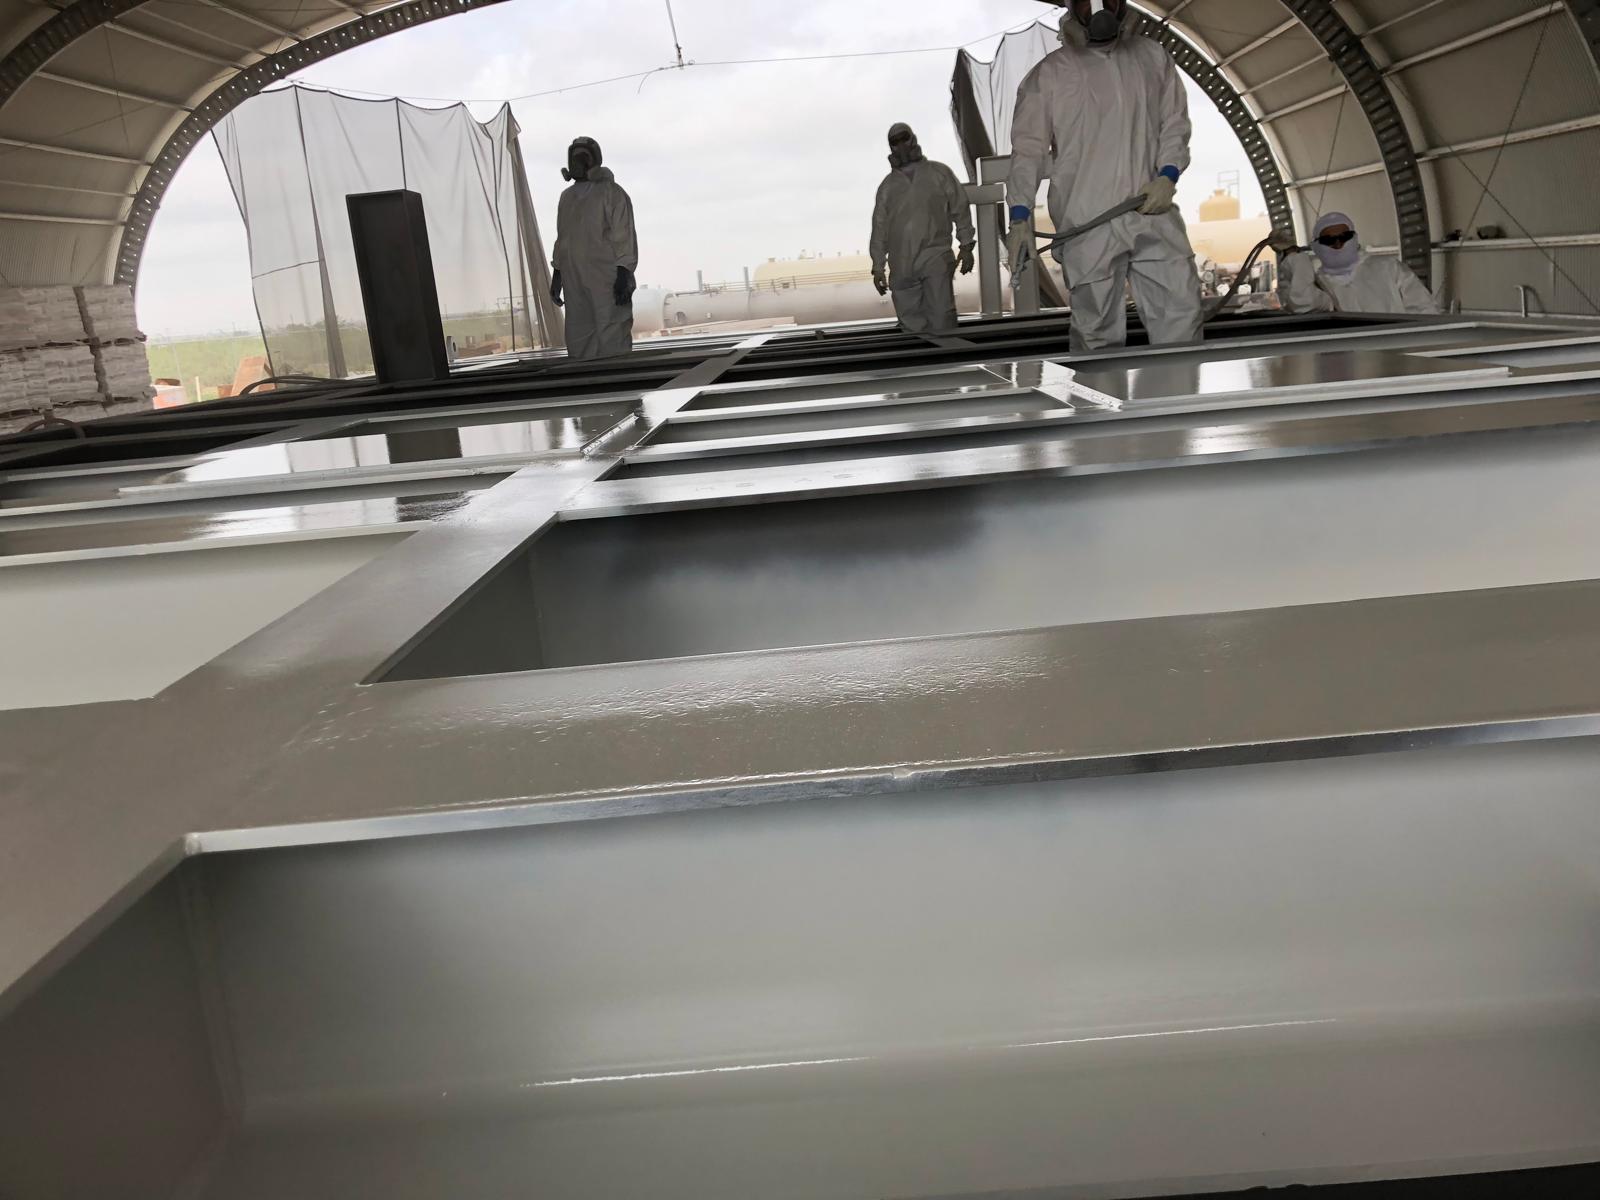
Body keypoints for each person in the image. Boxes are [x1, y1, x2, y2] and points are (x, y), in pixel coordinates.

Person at [1005, 1, 1204, 354]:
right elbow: (1028, 151)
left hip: (1151, 210)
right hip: (1087, 221)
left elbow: (1174, 123)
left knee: (1181, 317)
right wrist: (1019, 215)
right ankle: (1099, 404)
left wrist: (1168, 175)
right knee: (1096, 334)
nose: (1099, 7)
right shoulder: (1050, 74)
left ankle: (1177, 407)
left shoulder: (1151, 57)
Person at [869, 123, 976, 335]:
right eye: (895, 142)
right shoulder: (887, 187)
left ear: (913, 138)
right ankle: (922, 365)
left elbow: (960, 208)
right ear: (890, 147)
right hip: (901, 265)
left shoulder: (939, 173)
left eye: (904, 138)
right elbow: (879, 229)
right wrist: (878, 266)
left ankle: (948, 365)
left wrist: (966, 245)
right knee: (911, 327)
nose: (901, 145)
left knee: (942, 319)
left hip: (934, 256)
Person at [550, 136, 638, 360]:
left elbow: (624, 235)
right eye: (575, 157)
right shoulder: (567, 197)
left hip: (606, 277)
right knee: (579, 333)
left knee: (612, 330)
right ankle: (587, 387)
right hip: (574, 277)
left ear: (594, 161)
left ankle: (618, 387)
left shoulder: (611, 192)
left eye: (583, 157)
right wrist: (558, 273)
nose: (577, 163)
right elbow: (563, 238)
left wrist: (624, 272)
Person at [1272, 212, 1439, 315]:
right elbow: (1301, 303)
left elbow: (1424, 310)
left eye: (1344, 237)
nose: (1338, 244)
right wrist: (1293, 255)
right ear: (1316, 246)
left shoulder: (1388, 268)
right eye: (1329, 240)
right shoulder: (1321, 284)